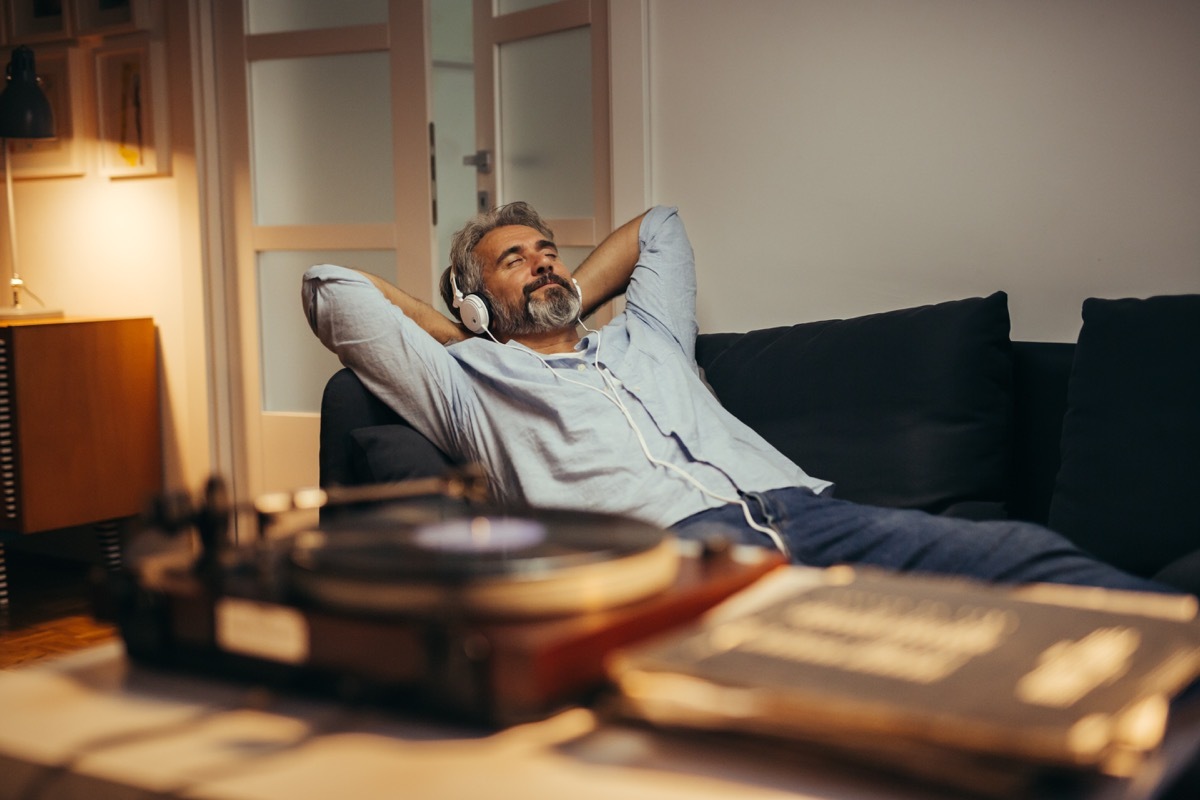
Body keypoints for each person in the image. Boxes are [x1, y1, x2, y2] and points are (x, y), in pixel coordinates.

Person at [303, 203, 1178, 594]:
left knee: (1031, 562)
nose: (543, 262)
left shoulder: (648, 340)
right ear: (471, 295)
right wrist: (475, 336)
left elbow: (660, 226)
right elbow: (327, 286)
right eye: (514, 259)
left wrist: (550, 289)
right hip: (675, 557)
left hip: (815, 513)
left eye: (550, 250)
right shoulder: (470, 388)